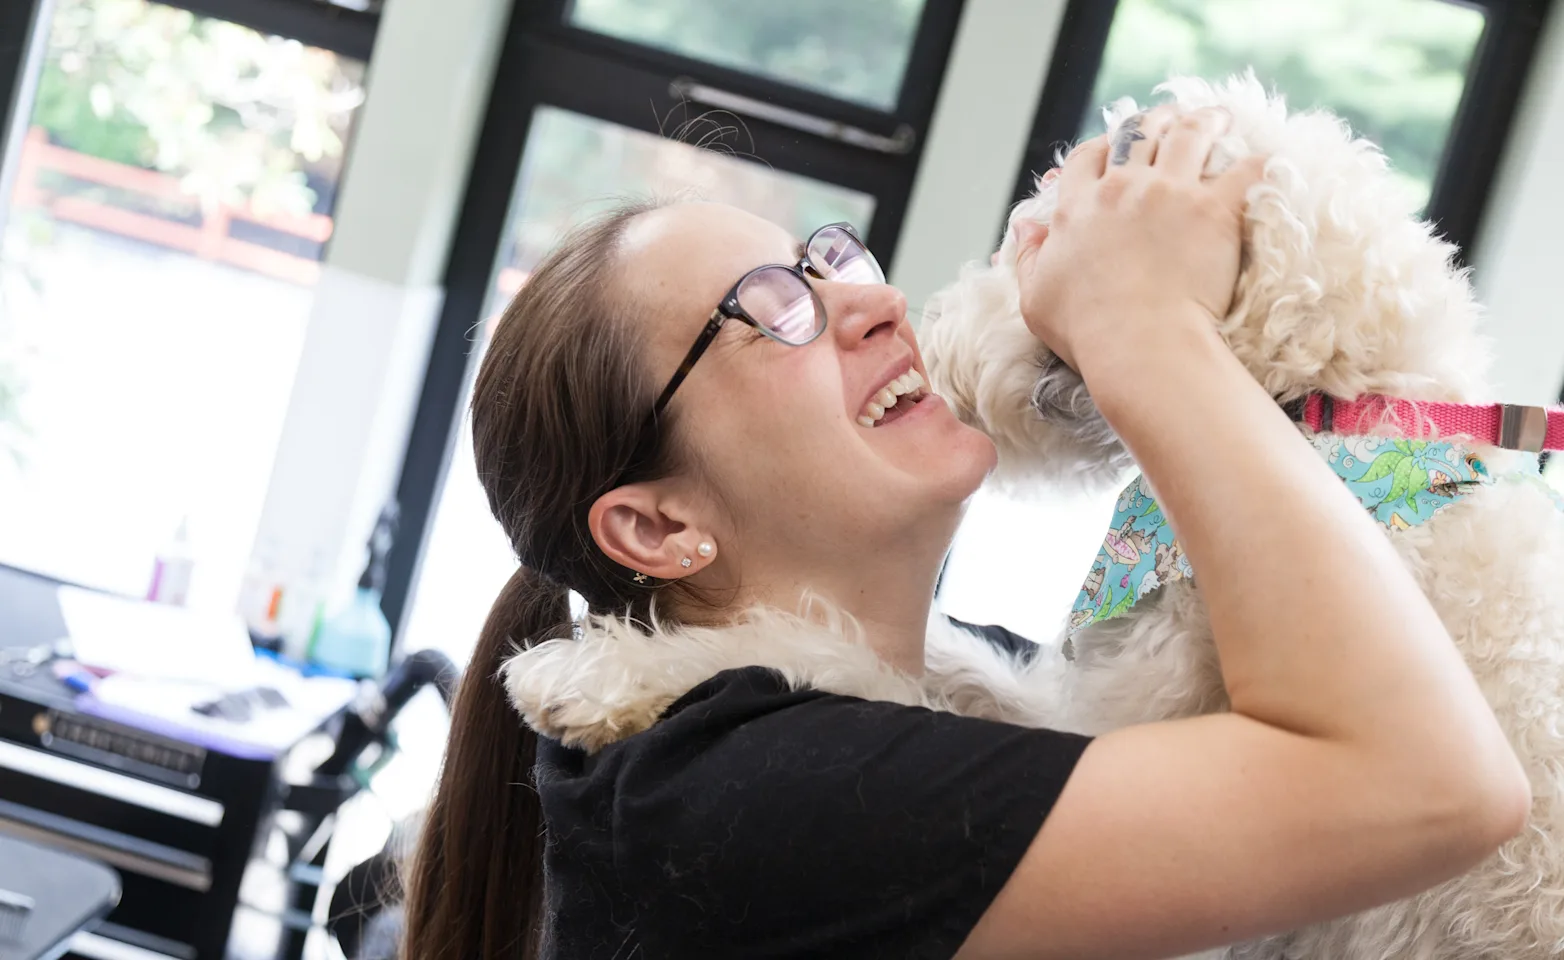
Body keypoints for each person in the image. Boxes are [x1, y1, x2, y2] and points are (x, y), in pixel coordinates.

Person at [399, 106, 1529, 960]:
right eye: (769, 306)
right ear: (657, 524)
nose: (871, 299)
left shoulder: (911, 717)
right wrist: (1142, 324)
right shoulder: (749, 797)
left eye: (829, 257)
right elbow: (1438, 791)